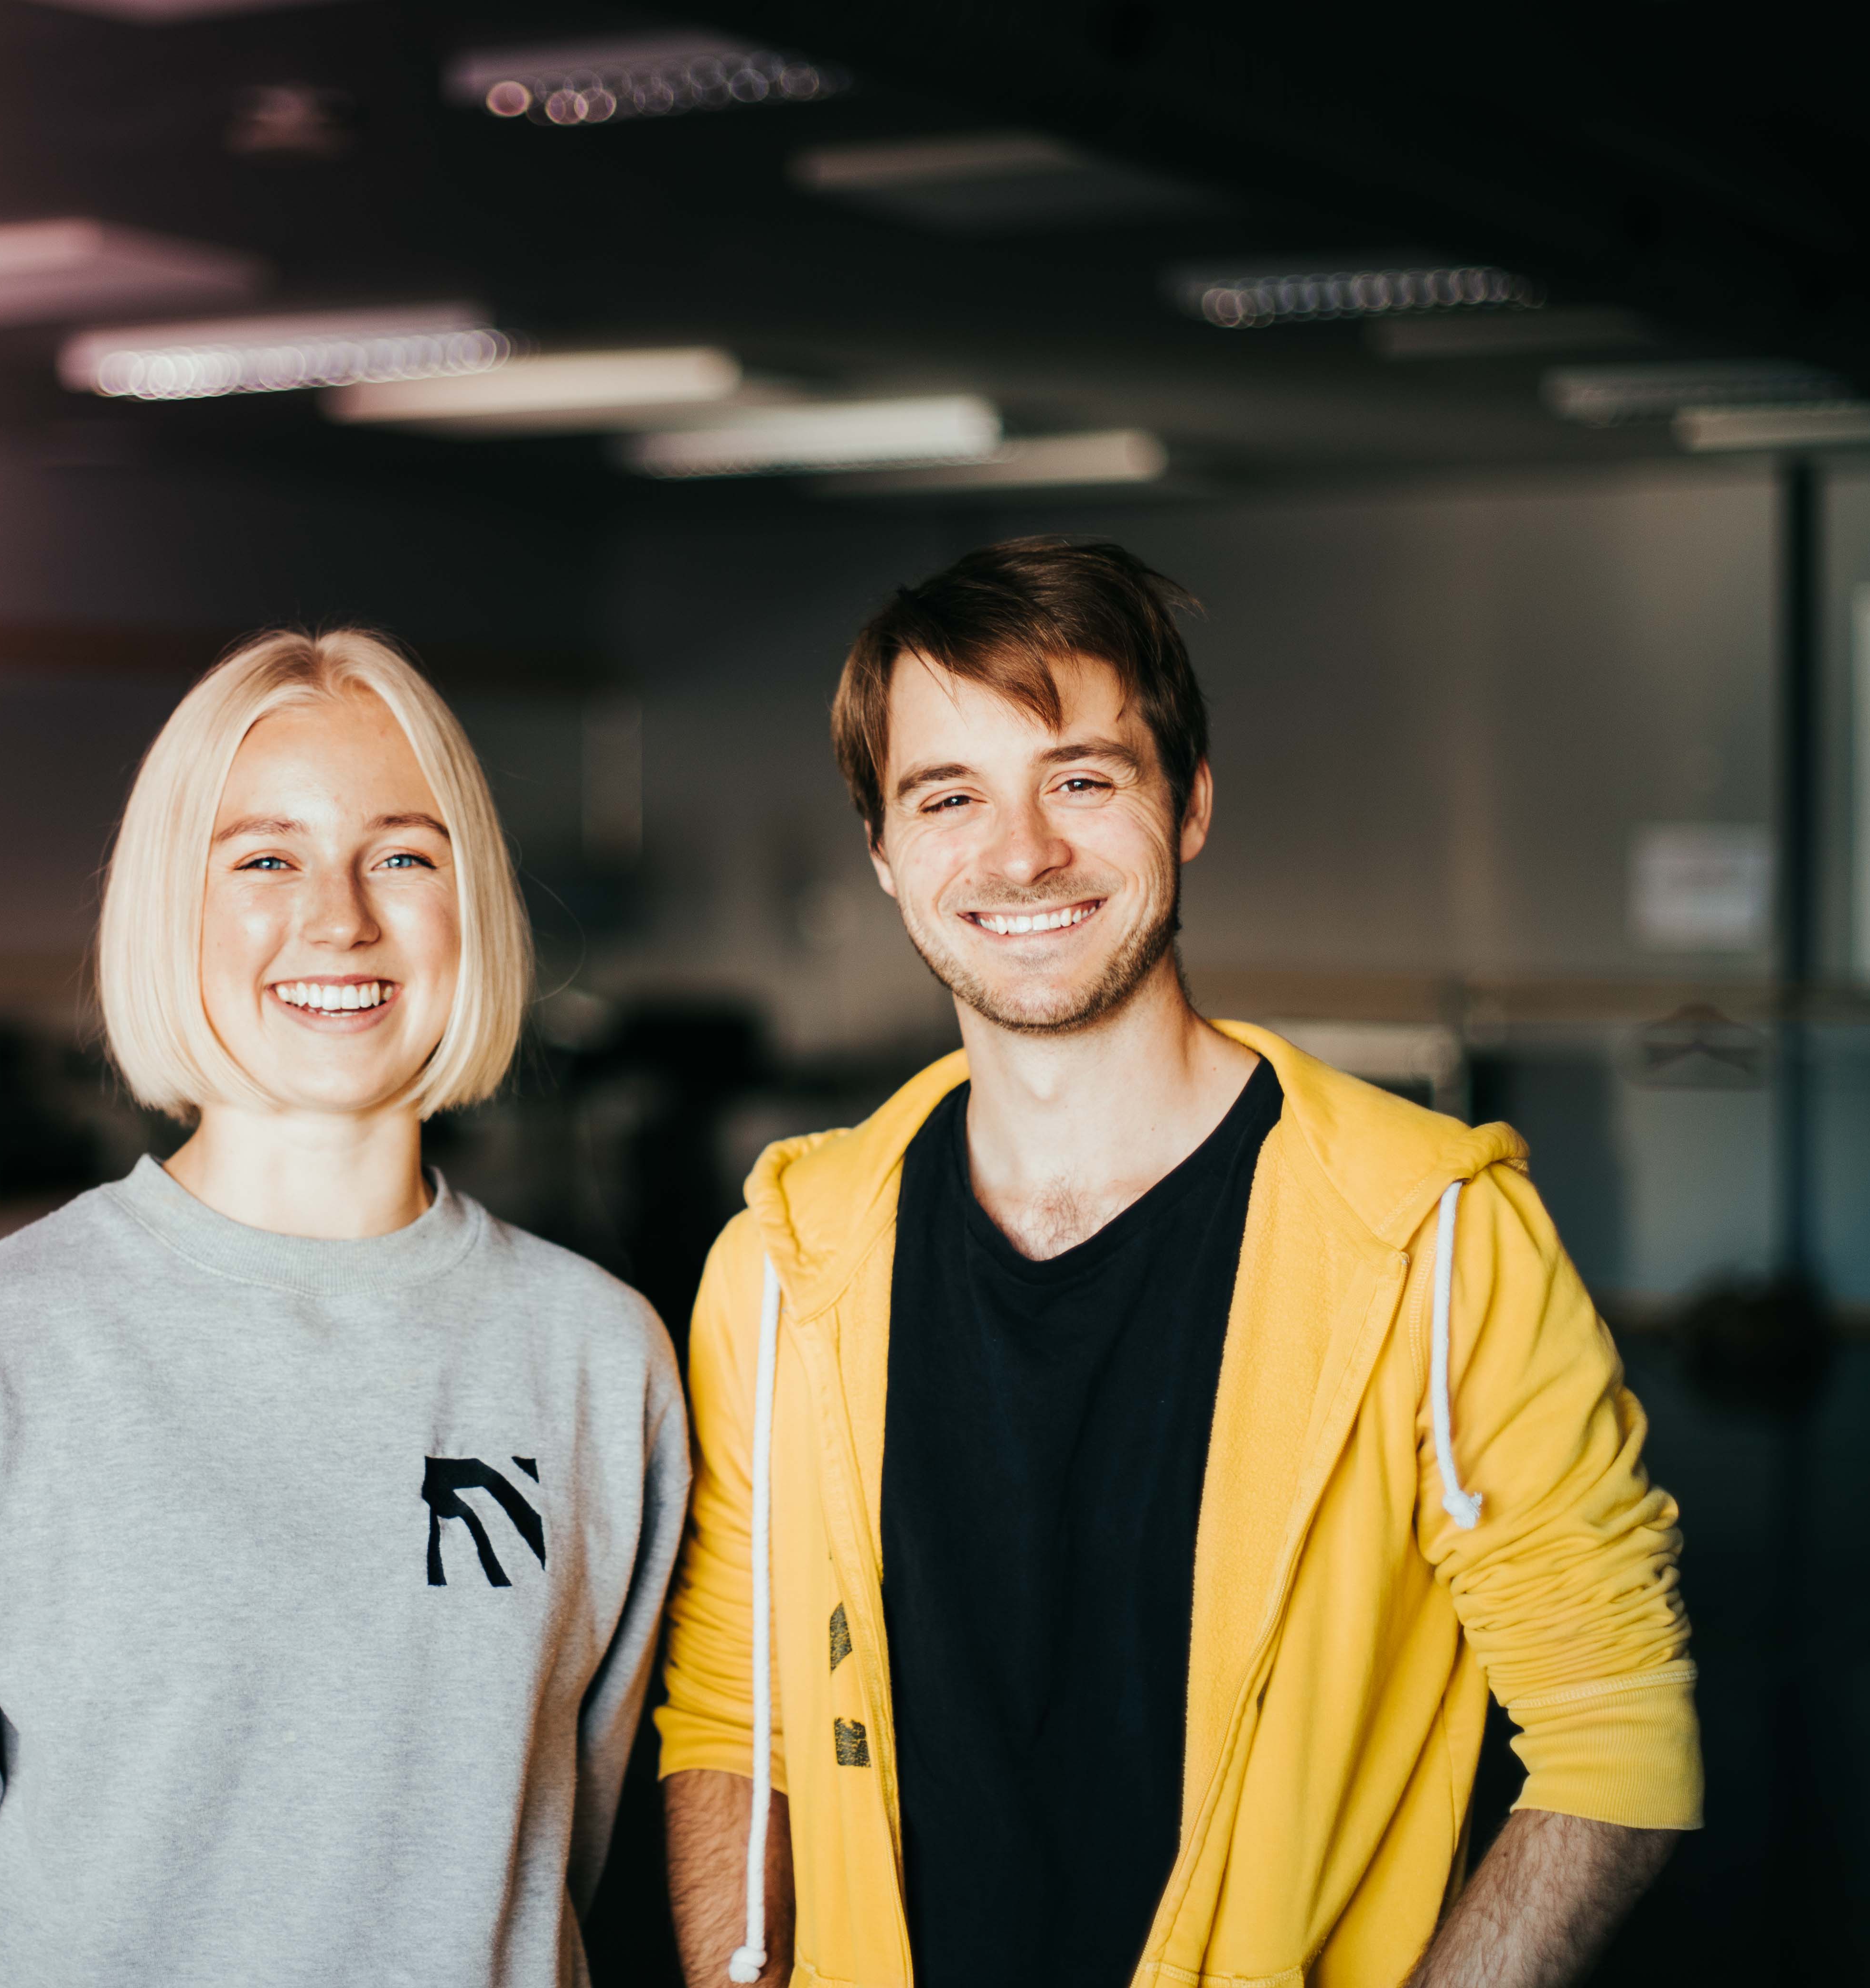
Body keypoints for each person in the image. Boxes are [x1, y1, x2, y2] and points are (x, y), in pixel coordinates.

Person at [656, 541, 1698, 1988]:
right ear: (887, 855)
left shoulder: (1434, 1238)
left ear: (1190, 802)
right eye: (949, 796)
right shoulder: (783, 1267)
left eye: (1083, 778)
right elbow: (732, 1710)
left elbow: (1615, 1733)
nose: (1022, 853)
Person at [0, 629, 687, 1987]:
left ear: (470, 906)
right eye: (265, 860)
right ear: (168, 912)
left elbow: (557, 1837)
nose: (340, 919)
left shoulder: (597, 1360)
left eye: (403, 856)